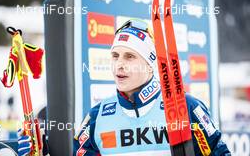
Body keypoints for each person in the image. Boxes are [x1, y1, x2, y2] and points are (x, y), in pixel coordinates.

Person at [18, 19, 231, 156]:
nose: (119, 64)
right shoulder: (97, 116)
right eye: (115, 56)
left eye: (130, 56)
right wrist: (42, 150)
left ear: (150, 64)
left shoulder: (186, 107)